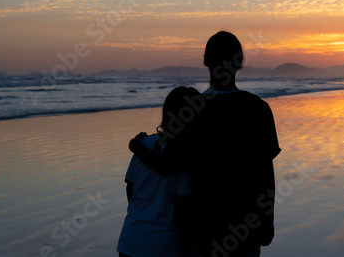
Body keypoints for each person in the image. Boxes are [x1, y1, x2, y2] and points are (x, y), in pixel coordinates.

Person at [129, 31, 281, 257]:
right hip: (247, 226)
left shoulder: (191, 111)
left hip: (205, 228)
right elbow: (265, 173)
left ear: (206, 62)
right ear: (239, 62)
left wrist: (137, 147)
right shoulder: (258, 108)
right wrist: (268, 222)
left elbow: (169, 165)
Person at [117, 87, 200, 257]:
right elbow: (180, 214)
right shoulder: (185, 157)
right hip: (163, 245)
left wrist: (142, 214)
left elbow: (130, 187)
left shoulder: (143, 144)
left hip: (129, 239)